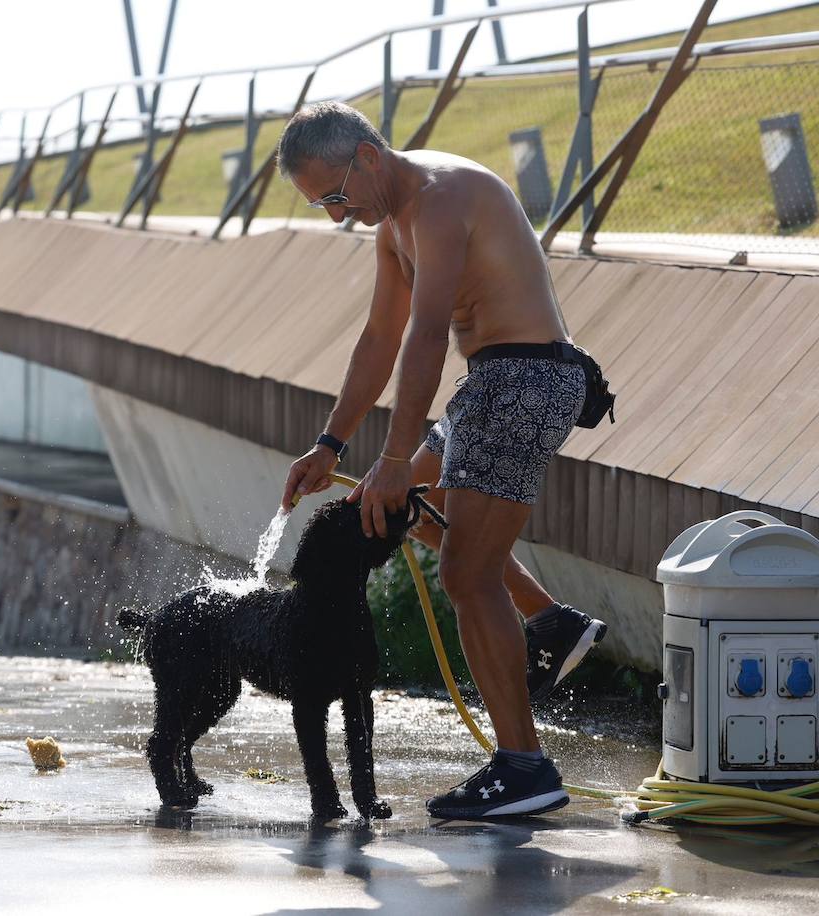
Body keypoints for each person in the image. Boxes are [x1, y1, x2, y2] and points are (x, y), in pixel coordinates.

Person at [276, 101, 608, 819]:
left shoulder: (439, 200)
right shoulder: (391, 228)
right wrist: (330, 444)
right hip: (490, 383)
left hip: (523, 379)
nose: (335, 215)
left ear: (367, 157)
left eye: (335, 196)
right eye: (320, 207)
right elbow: (379, 340)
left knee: (465, 572)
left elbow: (427, 335)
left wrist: (396, 451)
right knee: (393, 505)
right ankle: (550, 621)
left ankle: (524, 768)